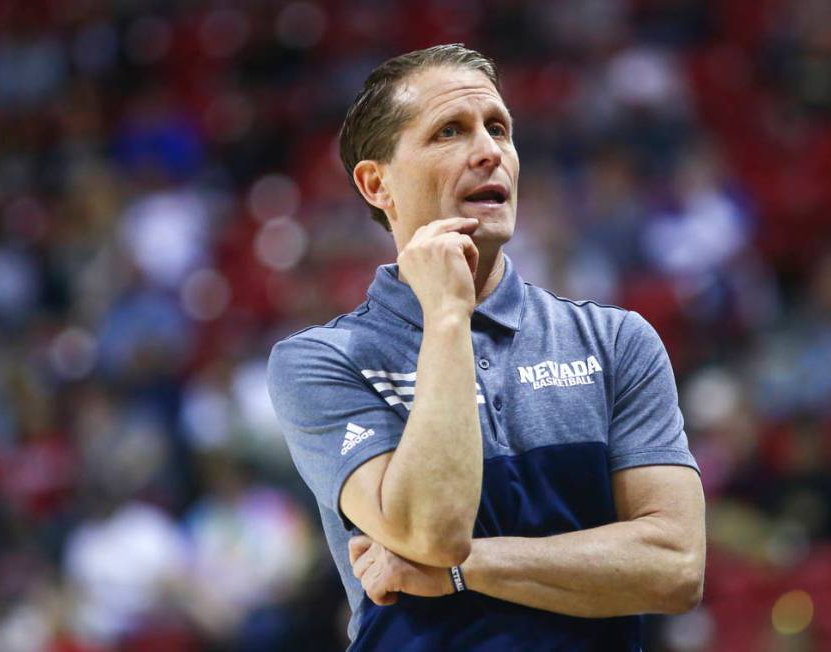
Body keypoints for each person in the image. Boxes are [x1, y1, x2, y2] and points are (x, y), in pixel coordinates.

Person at [267, 44, 705, 651]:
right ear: (377, 184)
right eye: (450, 131)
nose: (488, 151)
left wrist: (457, 572)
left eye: (498, 129)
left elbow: (674, 566)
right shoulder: (322, 360)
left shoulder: (615, 342)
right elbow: (430, 529)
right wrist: (448, 315)